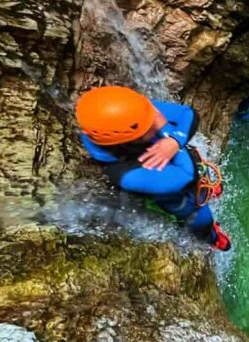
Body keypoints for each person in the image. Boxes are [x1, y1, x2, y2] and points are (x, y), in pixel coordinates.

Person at [75, 85, 231, 251]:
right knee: (201, 218)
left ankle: (206, 189)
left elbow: (187, 113)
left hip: (183, 167)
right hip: (181, 197)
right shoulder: (127, 175)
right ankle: (211, 237)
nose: (157, 116)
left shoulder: (132, 114)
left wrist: (173, 141)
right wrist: (166, 130)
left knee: (194, 170)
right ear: (131, 139)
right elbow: (187, 174)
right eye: (149, 123)